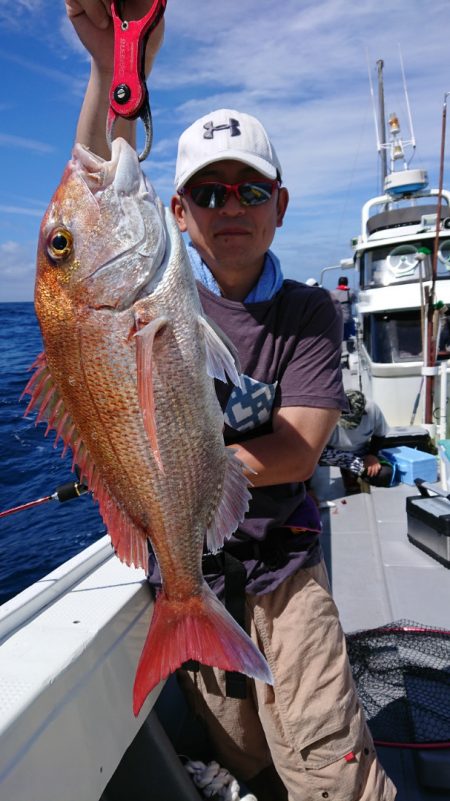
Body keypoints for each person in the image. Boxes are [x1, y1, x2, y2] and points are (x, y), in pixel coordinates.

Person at [66, 4, 396, 800]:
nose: (232, 205)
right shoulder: (154, 287)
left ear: (280, 204)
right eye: (209, 193)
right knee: (244, 751)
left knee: (326, 762)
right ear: (176, 213)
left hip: (283, 567)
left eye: (251, 189)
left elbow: (300, 449)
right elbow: (95, 190)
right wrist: (110, 66)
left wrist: (188, 473)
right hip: (195, 572)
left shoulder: (308, 310)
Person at [324, 390, 393, 494]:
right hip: (330, 452)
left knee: (384, 475)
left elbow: (380, 434)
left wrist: (372, 455)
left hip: (359, 451)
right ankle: (348, 470)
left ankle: (352, 473)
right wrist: (308, 489)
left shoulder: (372, 408)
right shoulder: (326, 411)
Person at [331, 275, 356, 343]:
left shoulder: (332, 293)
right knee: (352, 339)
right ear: (347, 283)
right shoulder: (351, 293)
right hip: (348, 320)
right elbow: (354, 301)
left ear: (338, 283)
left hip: (337, 321)